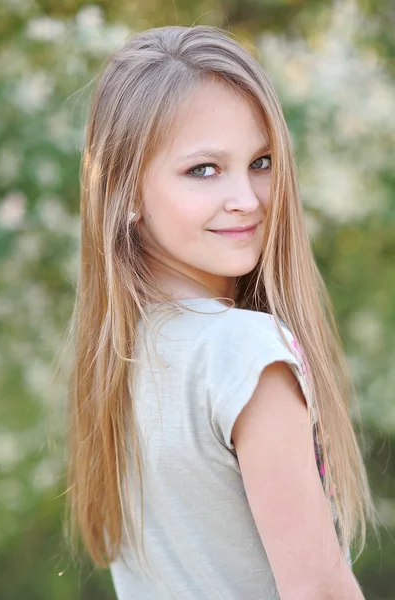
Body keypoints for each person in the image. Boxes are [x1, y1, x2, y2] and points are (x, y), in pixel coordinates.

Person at [64, 25, 380, 599]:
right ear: (126, 192)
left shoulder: (119, 358)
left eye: (260, 161)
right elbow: (319, 591)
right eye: (203, 170)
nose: (249, 198)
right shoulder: (243, 352)